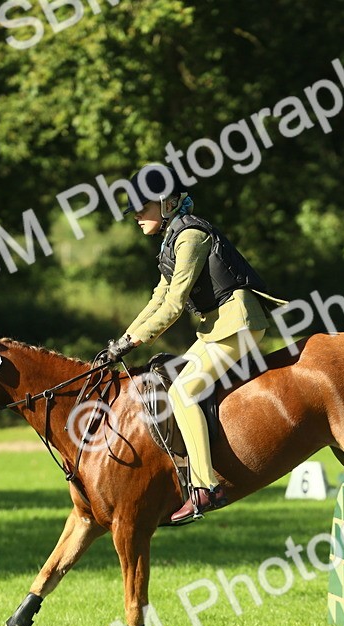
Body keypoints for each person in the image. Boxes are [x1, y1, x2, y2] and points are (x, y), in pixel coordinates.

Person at [105, 164, 283, 523]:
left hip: (238, 325)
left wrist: (136, 340)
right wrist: (123, 339)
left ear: (167, 203)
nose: (137, 215)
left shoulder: (191, 236)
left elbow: (174, 303)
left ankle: (205, 488)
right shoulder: (172, 239)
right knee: (174, 384)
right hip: (216, 329)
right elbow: (158, 297)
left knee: (184, 391)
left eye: (144, 207)